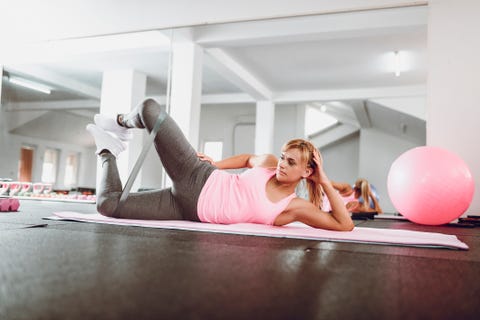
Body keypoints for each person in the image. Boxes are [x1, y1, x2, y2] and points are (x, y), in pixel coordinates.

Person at [86, 98, 354, 231]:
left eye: (291, 162)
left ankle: (108, 150)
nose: (282, 163)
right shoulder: (269, 164)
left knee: (108, 205)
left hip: (185, 210)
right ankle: (121, 124)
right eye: (284, 156)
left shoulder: (293, 208)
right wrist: (218, 163)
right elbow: (248, 158)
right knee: (149, 110)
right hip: (197, 175)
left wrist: (324, 182)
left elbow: (344, 225)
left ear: (306, 171)